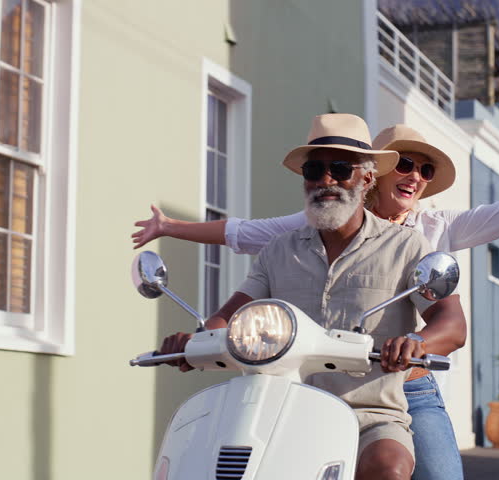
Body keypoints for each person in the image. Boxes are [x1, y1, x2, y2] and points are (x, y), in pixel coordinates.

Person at [132, 122, 499, 479]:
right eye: (316, 170)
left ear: (364, 176)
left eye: (424, 169)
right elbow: (240, 244)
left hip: (397, 383)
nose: (414, 175)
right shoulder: (292, 237)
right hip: (294, 393)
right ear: (380, 174)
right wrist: (196, 324)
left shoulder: (427, 233)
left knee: (418, 472)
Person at [158, 114, 468, 480]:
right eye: (314, 170)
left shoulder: (405, 245)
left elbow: (452, 324)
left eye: (340, 169)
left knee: (390, 466)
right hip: (284, 410)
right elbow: (229, 316)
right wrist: (195, 341)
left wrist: (415, 342)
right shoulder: (278, 251)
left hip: (371, 414)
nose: (326, 180)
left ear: (367, 178)